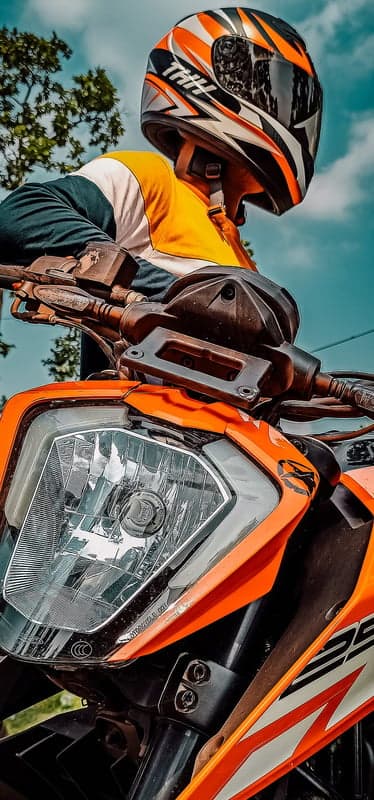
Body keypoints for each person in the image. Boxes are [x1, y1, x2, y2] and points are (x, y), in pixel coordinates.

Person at [0, 7, 322, 371]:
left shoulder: (245, 264)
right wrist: (180, 298)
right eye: (272, 86)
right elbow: (21, 216)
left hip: (221, 428)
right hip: (129, 417)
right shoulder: (151, 178)